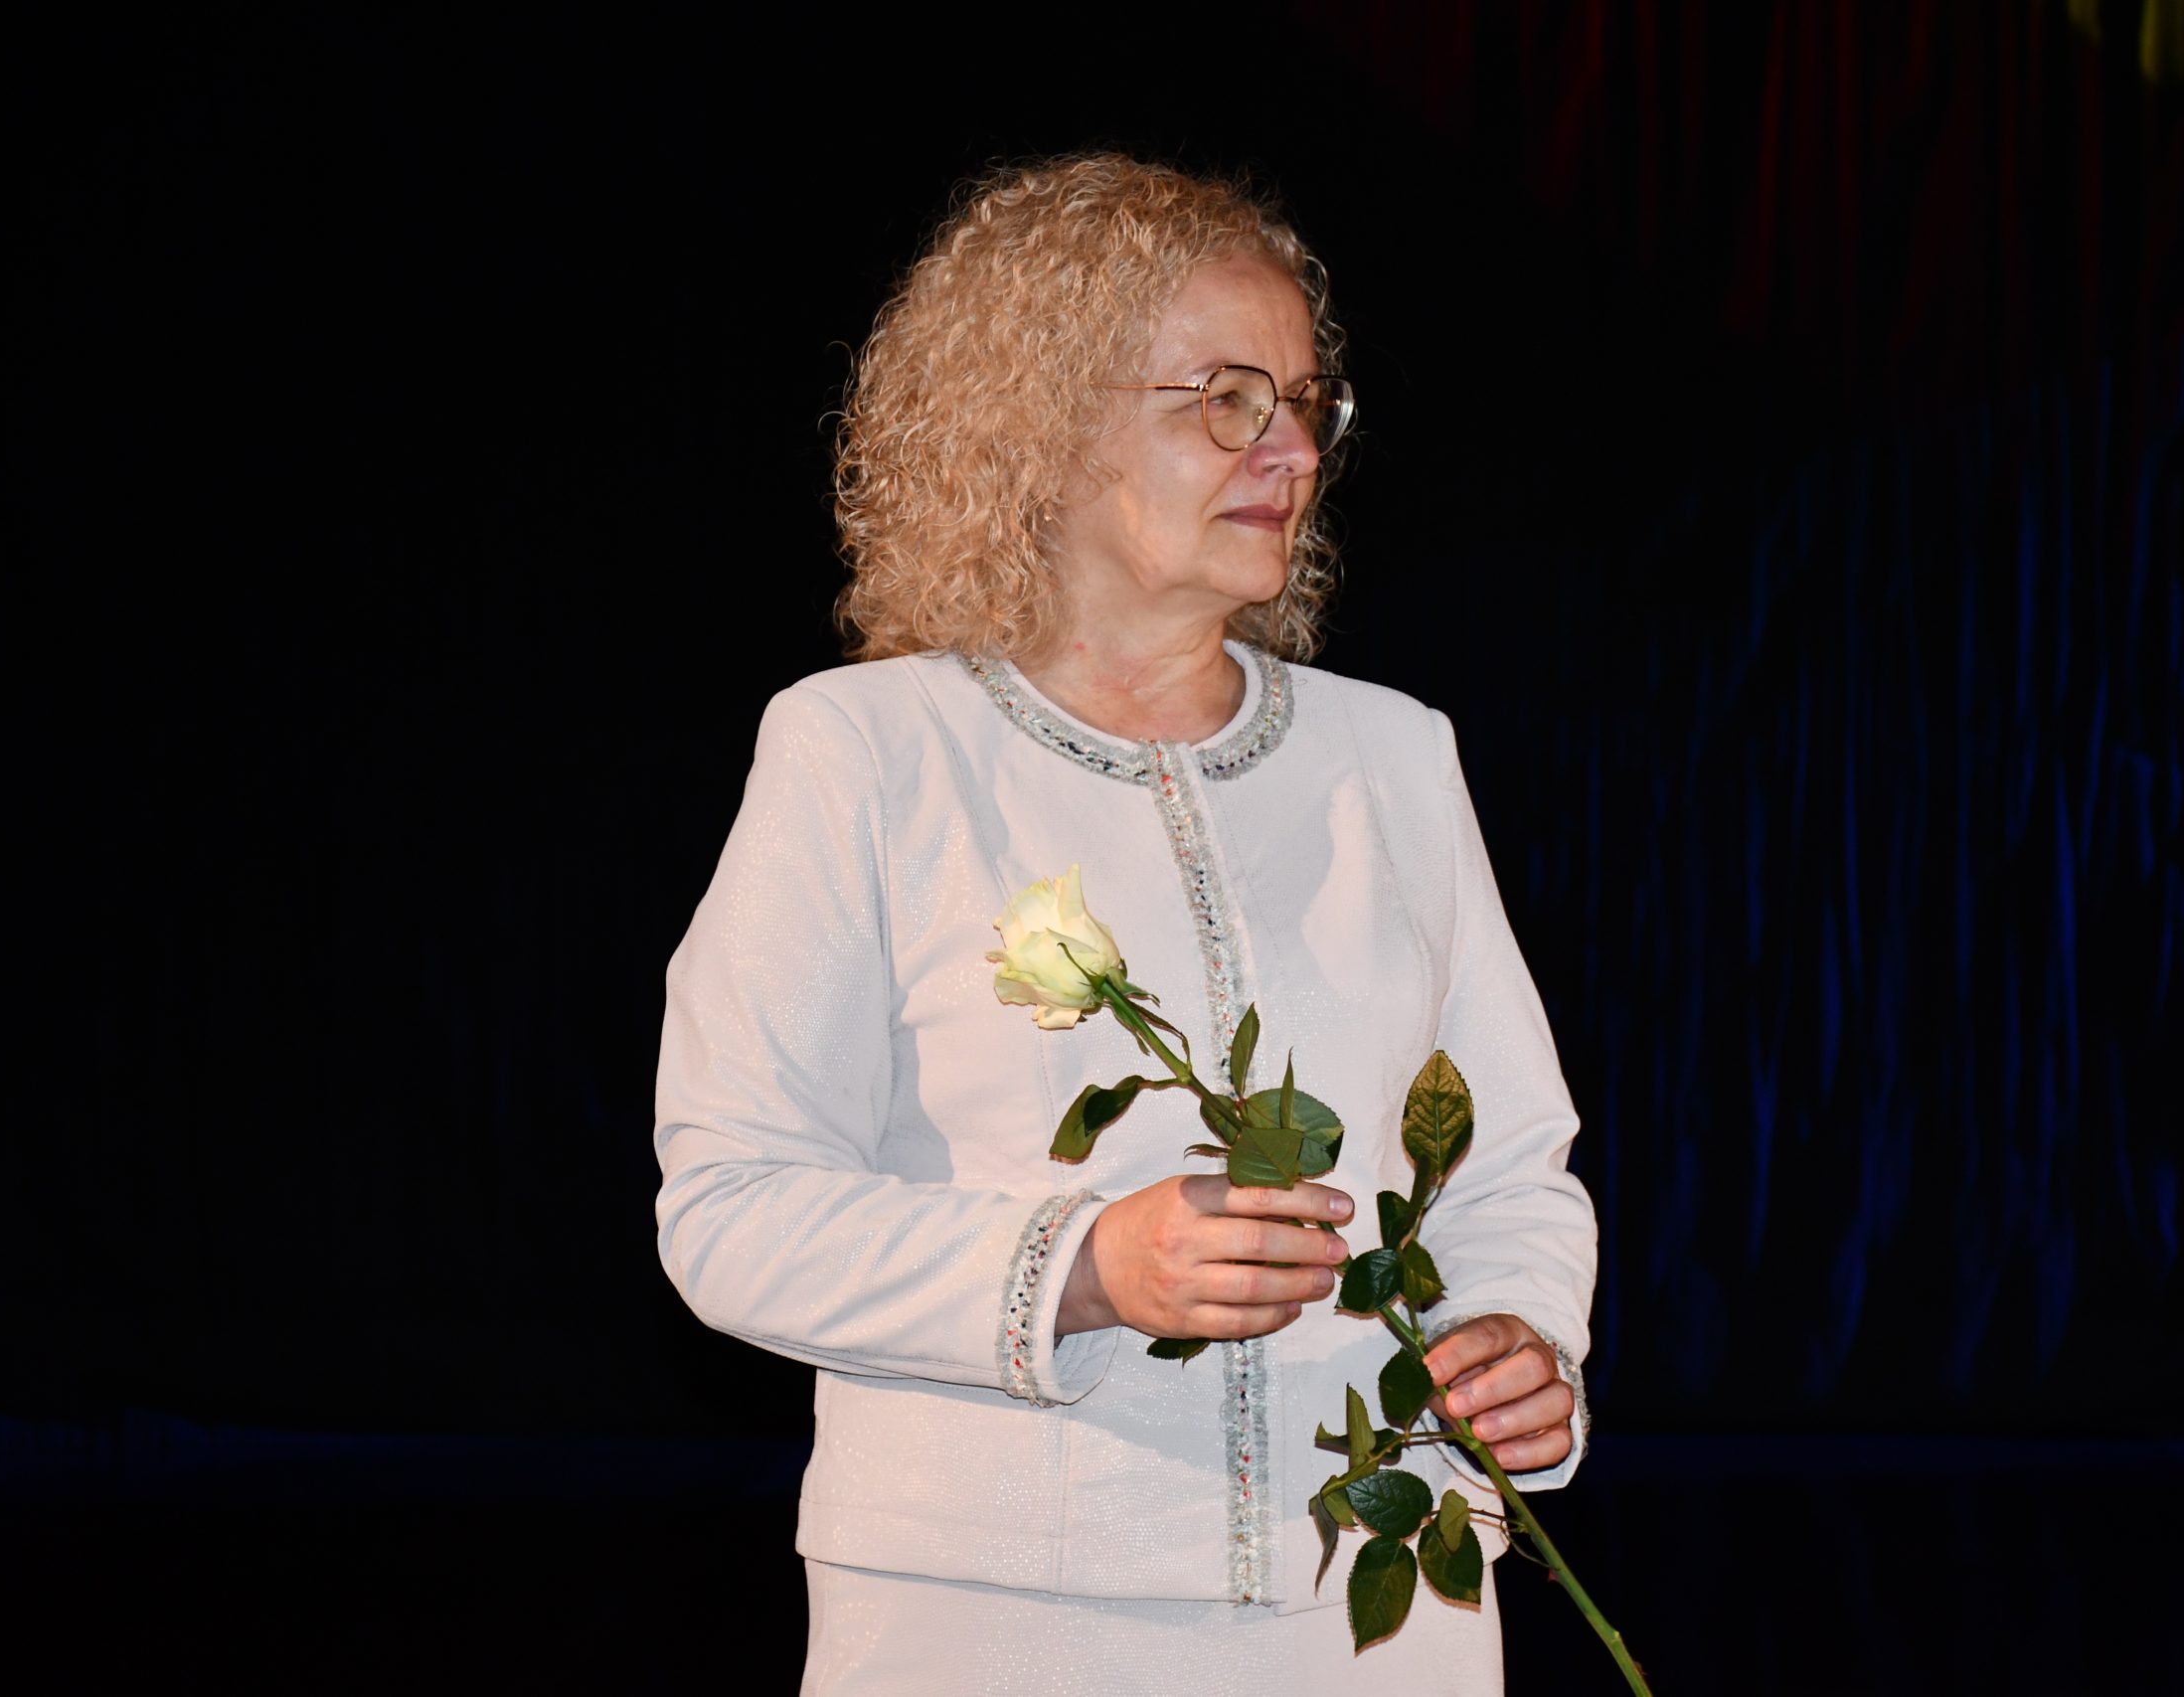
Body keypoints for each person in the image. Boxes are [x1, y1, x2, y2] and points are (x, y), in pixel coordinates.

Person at [653, 152, 1597, 1694]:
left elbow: (1507, 1166)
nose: (1291, 448)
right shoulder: (870, 751)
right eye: (1228, 399)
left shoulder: (1395, 757)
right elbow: (732, 1208)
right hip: (998, 1622)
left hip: (1375, 1615)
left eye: (1307, 403)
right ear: (1042, 423)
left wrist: (1519, 1338)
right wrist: (1082, 1264)